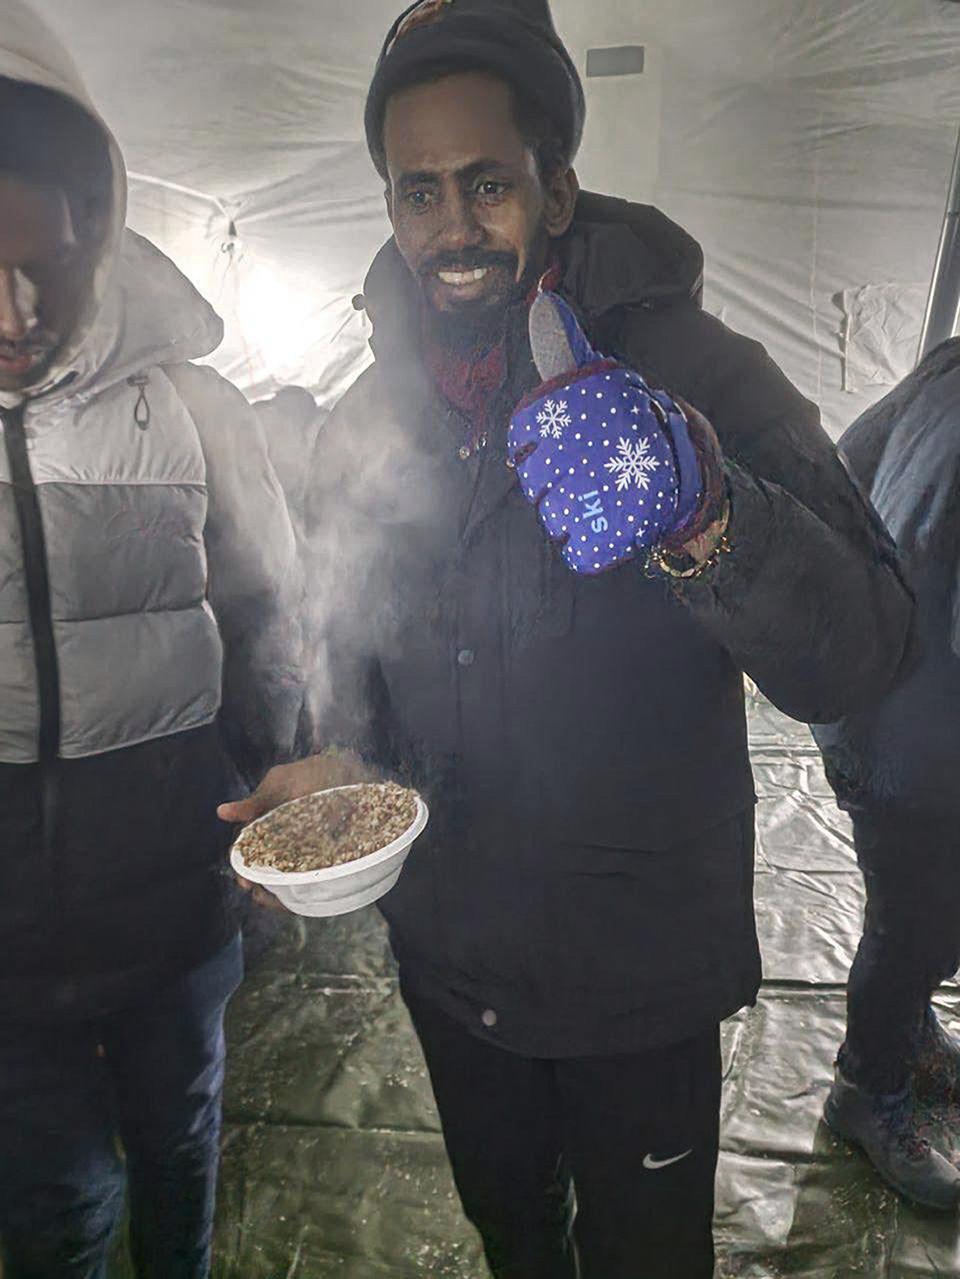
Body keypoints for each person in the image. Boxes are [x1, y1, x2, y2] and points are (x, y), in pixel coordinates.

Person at [221, 0, 915, 1272]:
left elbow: (863, 648)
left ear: (556, 187)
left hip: (634, 965)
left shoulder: (699, 368)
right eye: (418, 191)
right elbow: (354, 652)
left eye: (487, 183)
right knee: (511, 1233)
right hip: (450, 954)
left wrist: (706, 507)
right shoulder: (366, 419)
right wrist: (335, 767)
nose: (453, 226)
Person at [0, 6, 302, 1277]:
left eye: (43, 265)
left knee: (178, 1148)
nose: (14, 312)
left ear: (95, 225)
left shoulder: (190, 407)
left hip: (178, 901)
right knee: (57, 1209)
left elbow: (272, 612)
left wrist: (263, 797)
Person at [811, 337, 960, 1210]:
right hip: (916, 733)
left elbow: (845, 462)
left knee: (912, 908)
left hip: (866, 685)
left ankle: (912, 1035)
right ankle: (868, 1090)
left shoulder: (949, 360)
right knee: (922, 922)